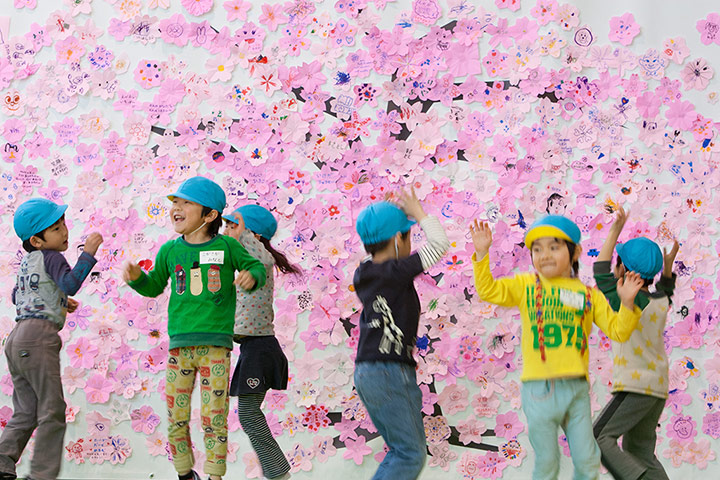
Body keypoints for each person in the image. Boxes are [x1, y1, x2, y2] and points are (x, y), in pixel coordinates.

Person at [469, 214, 644, 480]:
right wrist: (482, 254)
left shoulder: (589, 295)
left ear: (575, 252)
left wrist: (628, 303)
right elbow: (489, 291)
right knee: (548, 462)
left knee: (588, 460)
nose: (544, 255)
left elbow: (618, 331)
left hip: (576, 390)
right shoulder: (527, 285)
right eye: (537, 249)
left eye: (553, 247)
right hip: (539, 388)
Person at [122, 177, 266, 480]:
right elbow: (154, 287)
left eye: (186, 202)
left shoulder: (227, 245)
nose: (176, 207)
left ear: (210, 215)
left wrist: (251, 277)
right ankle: (185, 473)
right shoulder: (170, 251)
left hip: (215, 346)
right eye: (175, 202)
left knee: (215, 415)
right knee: (177, 415)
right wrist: (137, 279)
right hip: (179, 347)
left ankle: (215, 475)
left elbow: (255, 267)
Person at [0, 198, 103, 480]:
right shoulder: (52, 256)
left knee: (26, 410)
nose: (65, 231)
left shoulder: (27, 262)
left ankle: (2, 462)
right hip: (38, 338)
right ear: (37, 240)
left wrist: (58, 301)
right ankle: (41, 475)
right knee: (52, 409)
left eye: (63, 224)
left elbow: (17, 296)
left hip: (16, 341)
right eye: (56, 228)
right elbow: (71, 283)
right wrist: (89, 254)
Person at [352, 188, 450, 480]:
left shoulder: (365, 272)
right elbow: (440, 243)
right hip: (388, 369)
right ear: (398, 239)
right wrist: (419, 214)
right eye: (409, 236)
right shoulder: (393, 271)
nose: (411, 243)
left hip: (368, 370)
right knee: (410, 453)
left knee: (401, 451)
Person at [592, 206, 678, 480]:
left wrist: (616, 228)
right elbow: (666, 288)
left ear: (626, 273)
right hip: (658, 387)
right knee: (640, 452)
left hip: (636, 385)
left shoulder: (627, 300)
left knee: (597, 437)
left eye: (619, 263)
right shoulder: (659, 302)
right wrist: (668, 266)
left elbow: (599, 270)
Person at [222, 205, 298, 480]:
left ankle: (278, 474)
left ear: (251, 234)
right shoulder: (245, 265)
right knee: (249, 414)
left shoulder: (260, 261)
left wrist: (243, 236)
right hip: (252, 349)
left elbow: (261, 256)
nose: (227, 230)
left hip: (260, 349)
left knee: (249, 414)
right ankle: (277, 473)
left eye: (232, 225)